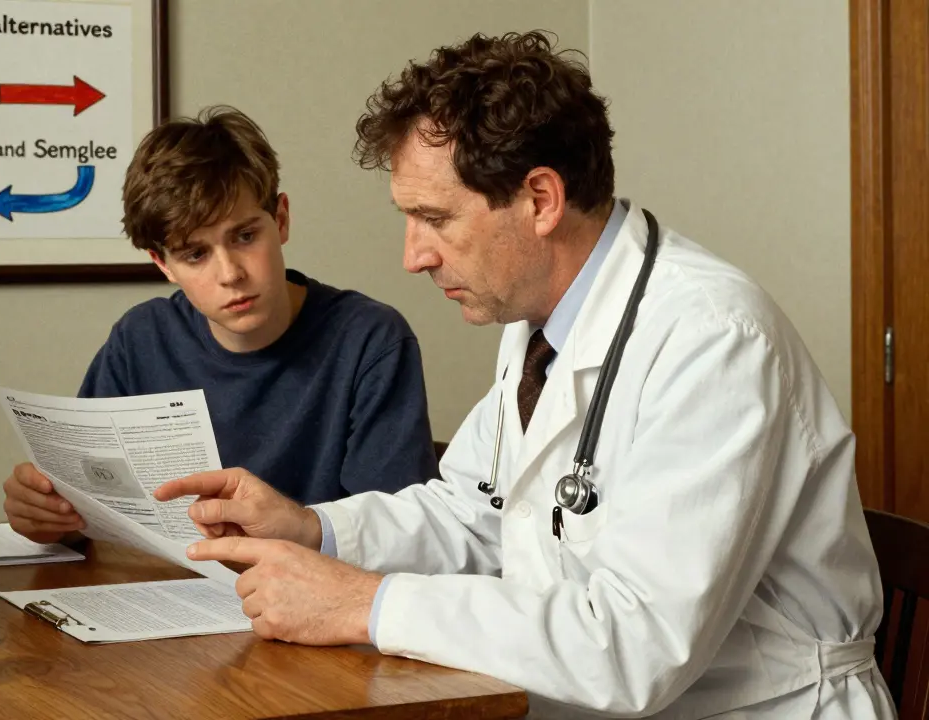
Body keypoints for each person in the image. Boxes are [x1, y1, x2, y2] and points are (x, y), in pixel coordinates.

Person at [154, 32, 894, 719]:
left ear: (540, 200)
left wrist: (367, 605)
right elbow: (474, 514)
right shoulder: (539, 322)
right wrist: (311, 526)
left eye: (435, 218)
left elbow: (638, 644)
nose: (413, 256)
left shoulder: (713, 340)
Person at [3, 105, 439, 545]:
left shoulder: (370, 340)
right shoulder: (140, 340)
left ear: (281, 220)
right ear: (163, 264)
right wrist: (47, 515)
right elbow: (91, 511)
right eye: (195, 254)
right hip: (169, 595)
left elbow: (399, 539)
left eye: (245, 237)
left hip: (310, 600)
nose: (230, 273)